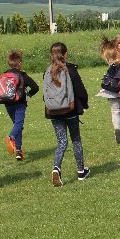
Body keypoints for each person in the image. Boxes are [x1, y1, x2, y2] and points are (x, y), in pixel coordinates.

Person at [43, 42, 91, 187]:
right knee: (76, 139)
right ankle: (81, 171)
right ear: (65, 54)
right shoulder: (70, 69)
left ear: (51, 55)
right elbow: (81, 91)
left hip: (53, 112)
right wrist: (84, 104)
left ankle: (56, 168)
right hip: (70, 111)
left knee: (62, 142)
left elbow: (45, 95)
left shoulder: (47, 71)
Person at [0, 49, 39, 161]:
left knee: (17, 125)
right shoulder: (22, 75)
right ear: (20, 63)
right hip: (19, 104)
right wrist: (28, 94)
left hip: (8, 104)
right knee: (19, 124)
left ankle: (18, 151)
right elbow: (35, 87)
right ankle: (11, 138)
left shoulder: (3, 76)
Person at [98, 35, 120, 145]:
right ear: (119, 45)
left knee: (115, 111)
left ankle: (117, 129)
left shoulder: (111, 56)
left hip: (111, 88)